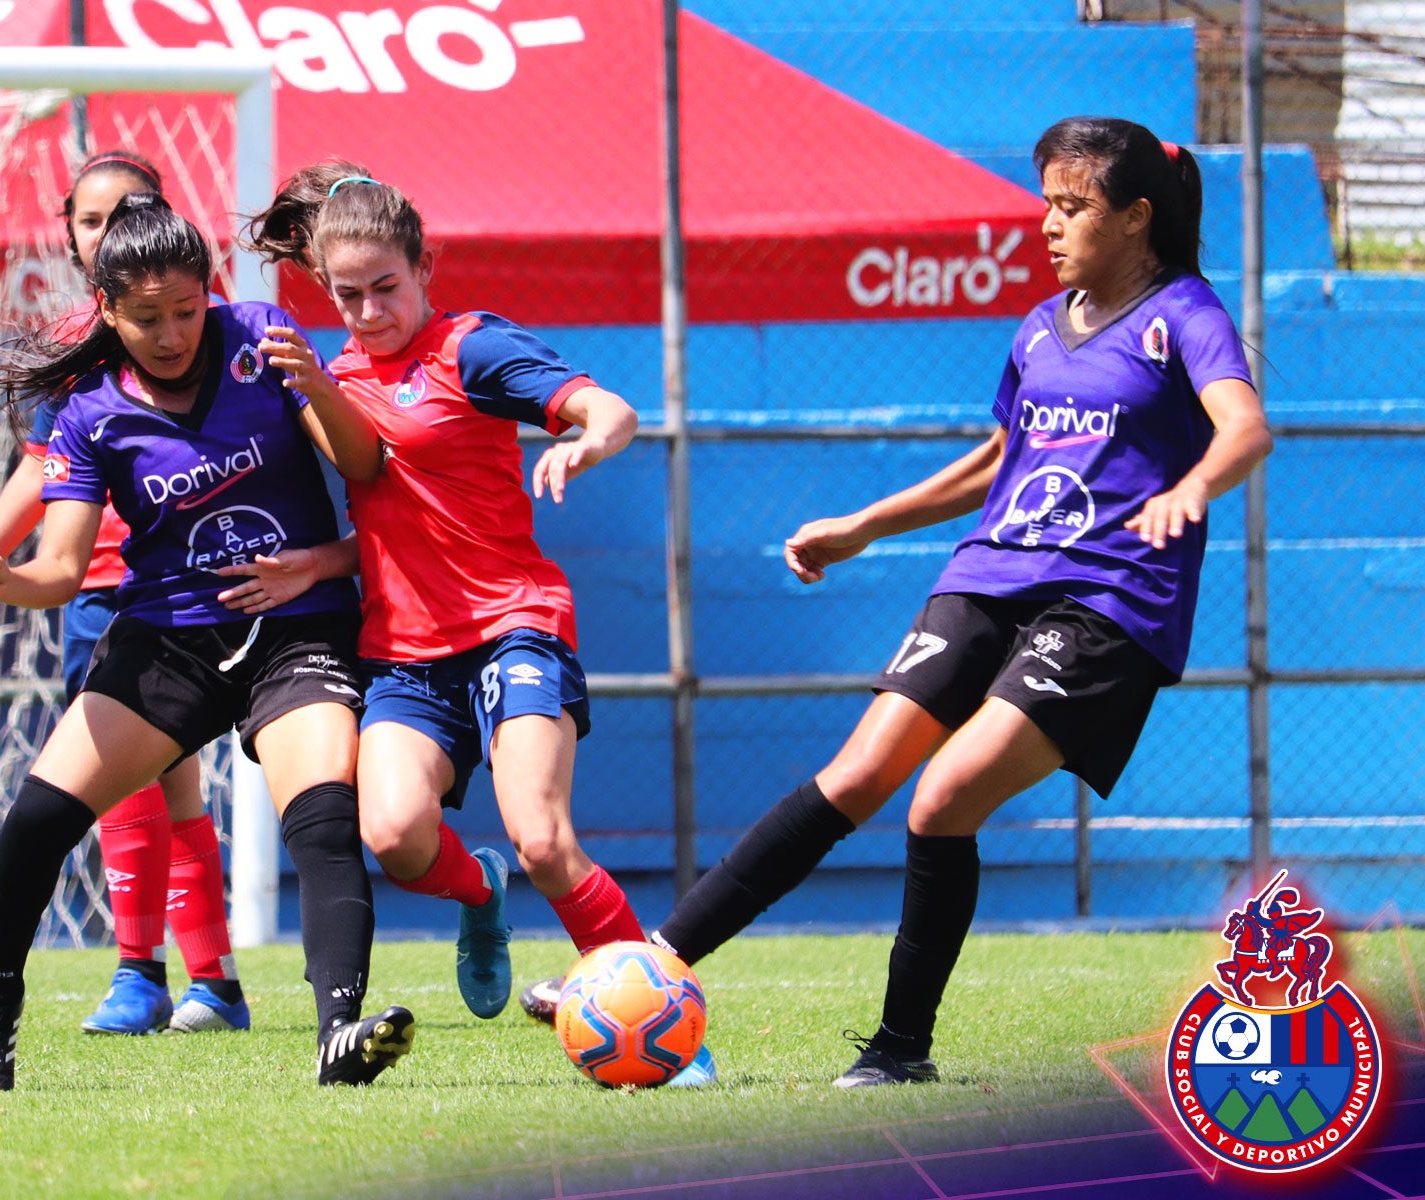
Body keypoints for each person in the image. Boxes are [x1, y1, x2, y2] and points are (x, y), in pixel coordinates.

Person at [526, 117, 1273, 1089]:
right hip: (989, 575)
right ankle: (651, 964)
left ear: (1135, 218)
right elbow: (1002, 459)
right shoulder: (1042, 327)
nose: (1048, 225)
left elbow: (1246, 428)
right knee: (858, 774)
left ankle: (898, 1050)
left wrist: (1193, 486)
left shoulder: (1186, 314)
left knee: (943, 798)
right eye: (1044, 202)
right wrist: (866, 523)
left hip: (1106, 602)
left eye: (1071, 206)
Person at [233, 162, 720, 1076]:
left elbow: (608, 407)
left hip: (512, 624)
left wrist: (586, 440)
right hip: (404, 656)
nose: (371, 309)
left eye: (387, 287)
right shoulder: (331, 376)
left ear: (424, 269)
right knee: (393, 836)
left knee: (541, 834)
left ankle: (668, 1032)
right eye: (349, 294)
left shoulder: (471, 348)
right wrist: (323, 559)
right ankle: (479, 892)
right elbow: (393, 506)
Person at [0, 191, 413, 1091]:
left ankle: (338, 1035)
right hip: (168, 641)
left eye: (188, 312)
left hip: (295, 629)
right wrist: (6, 581)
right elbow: (66, 569)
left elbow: (363, 466)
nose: (171, 334)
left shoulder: (263, 339)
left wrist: (314, 383)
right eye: (146, 318)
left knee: (321, 813)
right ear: (106, 310)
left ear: (212, 294)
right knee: (36, 823)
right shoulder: (86, 413)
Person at [0, 151, 249, 1037]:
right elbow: (42, 468)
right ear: (71, 233)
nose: (108, 227)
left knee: (174, 777)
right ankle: (167, 976)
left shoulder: (208, 326)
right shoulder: (71, 346)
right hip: (89, 581)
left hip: (197, 581)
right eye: (92, 219)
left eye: (132, 210)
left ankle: (186, 977)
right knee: (144, 778)